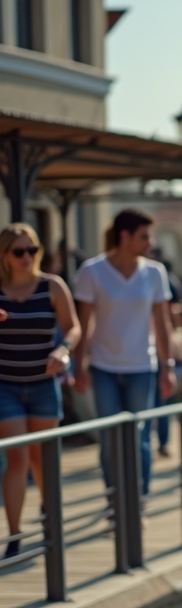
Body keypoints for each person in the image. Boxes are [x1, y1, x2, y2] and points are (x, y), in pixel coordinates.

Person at [74, 209, 177, 499]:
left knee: (140, 436)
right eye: (144, 236)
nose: (150, 242)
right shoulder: (92, 271)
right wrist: (79, 366)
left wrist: (167, 367)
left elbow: (162, 324)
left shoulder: (154, 273)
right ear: (125, 236)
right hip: (103, 367)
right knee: (109, 438)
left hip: (142, 367)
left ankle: (140, 498)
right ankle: (113, 500)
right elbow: (84, 323)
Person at [0, 224, 80, 559]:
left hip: (44, 385)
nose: (26, 257)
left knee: (42, 458)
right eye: (19, 251)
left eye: (32, 250)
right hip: (6, 386)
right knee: (17, 457)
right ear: (4, 255)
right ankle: (15, 535)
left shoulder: (52, 285)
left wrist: (63, 350)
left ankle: (50, 517)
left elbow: (73, 327)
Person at [148, 248, 182, 458]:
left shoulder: (159, 277)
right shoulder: (166, 278)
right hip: (153, 343)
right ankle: (161, 442)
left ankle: (154, 440)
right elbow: (174, 312)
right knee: (163, 395)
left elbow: (172, 311)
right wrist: (179, 331)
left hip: (155, 343)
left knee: (160, 394)